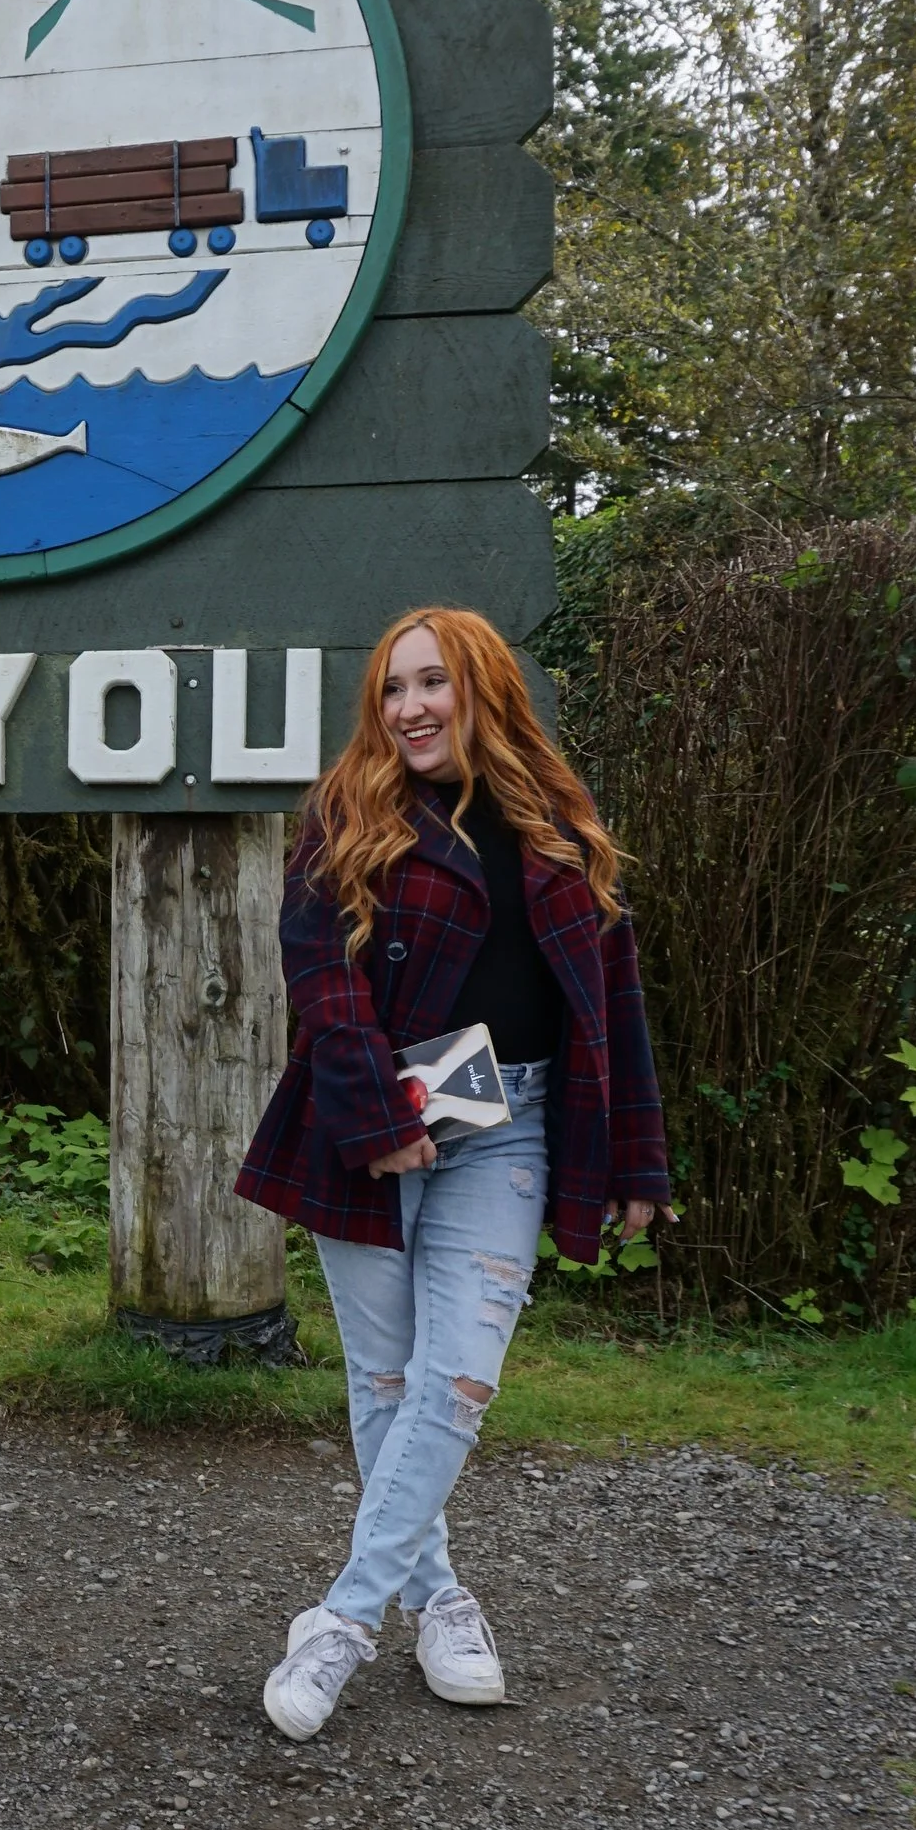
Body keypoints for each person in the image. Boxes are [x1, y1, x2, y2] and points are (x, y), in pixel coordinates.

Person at [234, 606, 669, 1741]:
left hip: (513, 1127)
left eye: (432, 684)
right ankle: (439, 1601)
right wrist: (376, 1117)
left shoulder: (559, 822)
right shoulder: (349, 815)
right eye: (391, 690)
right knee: (385, 1387)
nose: (410, 709)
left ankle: (340, 1619)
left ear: (483, 688)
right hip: (370, 1127)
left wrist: (637, 1154)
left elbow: (610, 1006)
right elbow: (321, 984)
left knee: (457, 1382)